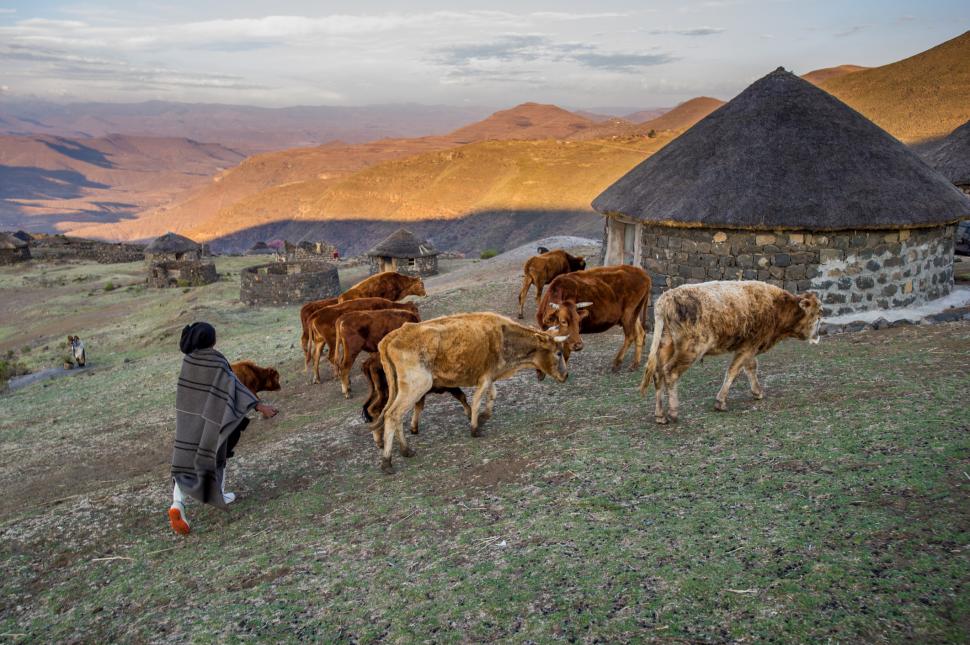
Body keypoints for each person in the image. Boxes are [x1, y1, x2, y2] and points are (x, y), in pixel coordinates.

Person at [168, 322, 278, 535]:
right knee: (220, 451)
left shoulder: (188, 361)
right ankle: (217, 492)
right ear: (210, 340)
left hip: (189, 421)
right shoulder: (216, 361)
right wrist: (259, 406)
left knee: (187, 459)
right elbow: (235, 386)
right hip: (213, 419)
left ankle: (177, 504)